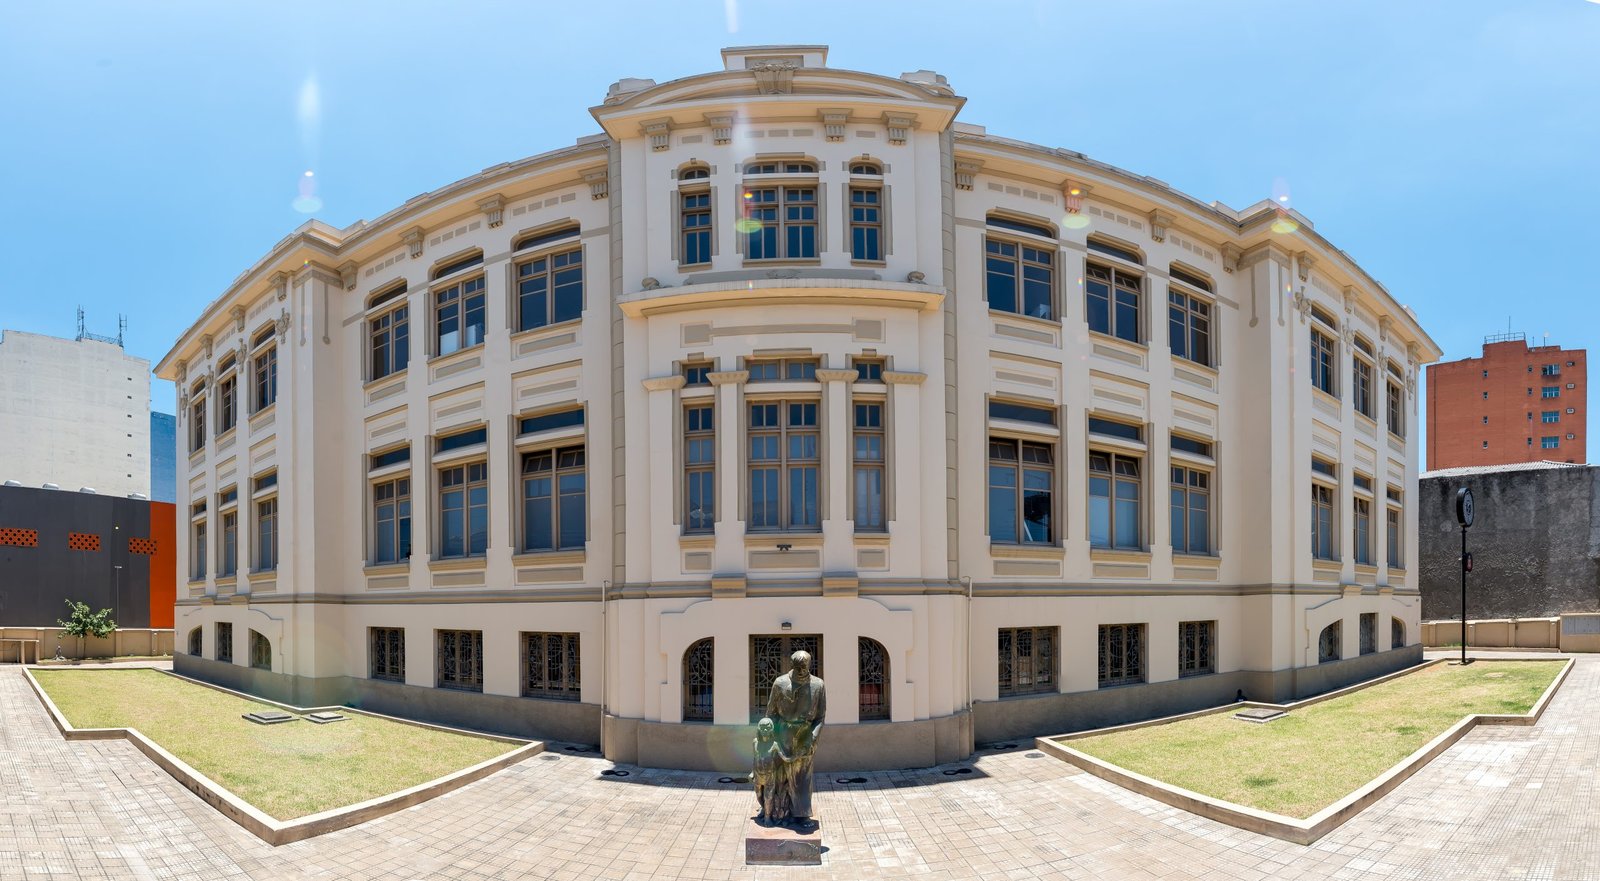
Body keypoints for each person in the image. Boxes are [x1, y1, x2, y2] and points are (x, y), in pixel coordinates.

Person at [764, 649, 826, 823]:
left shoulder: (818, 685)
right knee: (779, 777)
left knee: (802, 778)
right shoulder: (780, 683)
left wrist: (812, 738)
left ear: (809, 666)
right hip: (782, 735)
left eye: (804, 667)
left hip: (805, 737)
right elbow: (770, 713)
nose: (801, 671)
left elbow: (820, 717)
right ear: (791, 665)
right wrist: (768, 736)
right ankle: (778, 811)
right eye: (798, 667)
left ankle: (802, 814)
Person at [751, 717, 791, 822]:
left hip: (770, 776)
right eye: (762, 728)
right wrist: (752, 772)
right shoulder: (755, 742)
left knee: (768, 797)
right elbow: (755, 759)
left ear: (771, 729)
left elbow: (784, 758)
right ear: (759, 729)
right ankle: (764, 809)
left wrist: (796, 757)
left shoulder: (775, 745)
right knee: (759, 795)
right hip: (758, 775)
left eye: (767, 728)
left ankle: (767, 817)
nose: (765, 730)